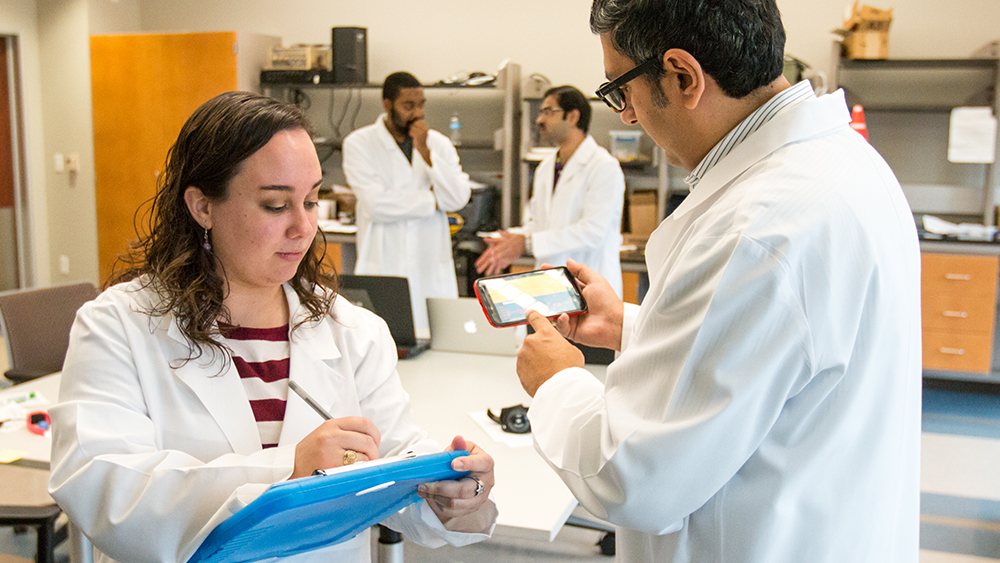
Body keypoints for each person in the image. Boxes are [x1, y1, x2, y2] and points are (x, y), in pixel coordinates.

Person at [515, 1, 921, 562]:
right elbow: (779, 352)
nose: (627, 116)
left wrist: (557, 382)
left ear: (682, 76)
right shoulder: (845, 163)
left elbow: (634, 478)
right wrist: (635, 326)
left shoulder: (755, 228)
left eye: (620, 89)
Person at [48, 91, 497, 563]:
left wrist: (451, 491)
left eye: (311, 200)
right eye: (275, 205)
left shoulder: (354, 331)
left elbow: (392, 467)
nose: (304, 227)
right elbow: (102, 486)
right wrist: (290, 475)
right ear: (202, 206)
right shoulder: (119, 324)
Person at [342, 71, 471, 335]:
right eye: (408, 106)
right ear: (387, 105)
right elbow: (377, 205)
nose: (417, 113)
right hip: (383, 260)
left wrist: (427, 153)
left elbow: (458, 197)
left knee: (437, 342)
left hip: (429, 262)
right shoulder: (359, 143)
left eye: (421, 104)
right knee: (380, 340)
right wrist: (434, 200)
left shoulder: (437, 144)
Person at [474, 85, 626, 297]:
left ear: (572, 117)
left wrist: (526, 242)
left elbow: (592, 232)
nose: (539, 120)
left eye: (548, 111)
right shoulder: (546, 167)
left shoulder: (603, 166)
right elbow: (539, 223)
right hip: (549, 285)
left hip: (589, 288)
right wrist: (511, 239)